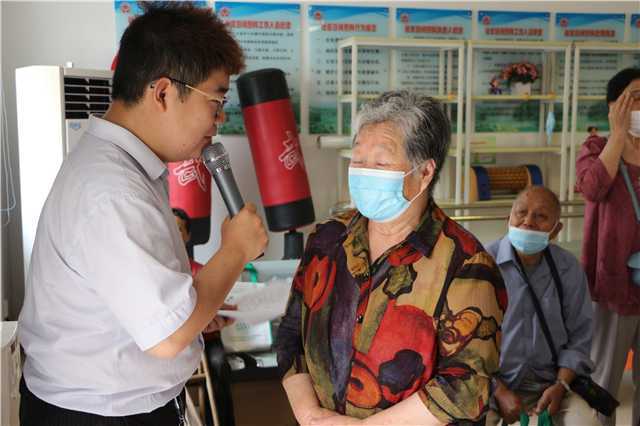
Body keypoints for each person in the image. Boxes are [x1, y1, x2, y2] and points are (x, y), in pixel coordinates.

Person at [18, 5, 268, 425]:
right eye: (216, 101)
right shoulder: (111, 188)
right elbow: (168, 336)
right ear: (164, 93)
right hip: (97, 414)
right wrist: (235, 251)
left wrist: (199, 303)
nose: (219, 120)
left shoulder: (127, 166)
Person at [276, 91, 507, 426]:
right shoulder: (328, 239)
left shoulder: (465, 264)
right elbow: (289, 335)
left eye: (381, 163)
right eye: (357, 160)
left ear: (425, 172)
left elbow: (466, 387)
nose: (364, 172)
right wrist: (312, 417)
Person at [485, 186, 597, 426]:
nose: (528, 222)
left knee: (585, 422)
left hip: (553, 383)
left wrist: (561, 385)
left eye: (541, 216)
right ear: (508, 219)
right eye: (521, 213)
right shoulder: (483, 264)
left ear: (556, 230)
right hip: (492, 384)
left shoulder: (568, 269)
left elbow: (580, 336)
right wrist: (498, 390)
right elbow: (464, 344)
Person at [575, 67, 640, 426]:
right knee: (605, 376)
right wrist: (618, 138)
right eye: (634, 97)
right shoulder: (597, 148)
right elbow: (591, 189)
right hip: (613, 284)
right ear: (614, 105)